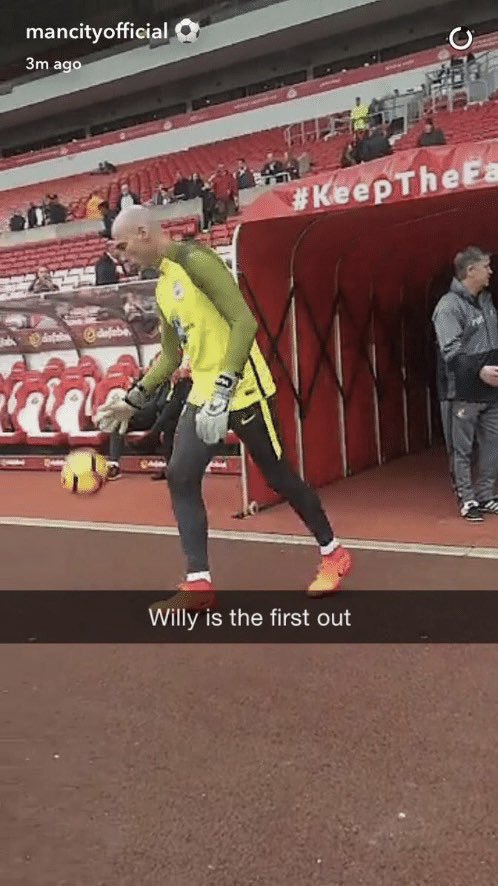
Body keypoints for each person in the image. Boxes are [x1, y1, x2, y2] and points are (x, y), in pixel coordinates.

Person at [97, 206, 352, 610]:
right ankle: (199, 583)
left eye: (123, 246)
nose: (121, 256)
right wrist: (134, 397)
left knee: (278, 478)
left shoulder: (196, 259)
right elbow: (170, 356)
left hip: (244, 390)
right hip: (203, 394)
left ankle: (333, 552)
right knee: (180, 475)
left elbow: (244, 323)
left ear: (144, 232)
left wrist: (224, 387)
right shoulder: (162, 286)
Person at [432, 247, 498, 522]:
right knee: (462, 448)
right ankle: (467, 498)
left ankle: (486, 494)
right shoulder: (448, 306)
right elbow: (451, 351)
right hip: (461, 390)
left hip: (491, 390)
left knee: (492, 444)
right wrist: (479, 370)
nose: (491, 271)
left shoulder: (486, 300)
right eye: (486, 266)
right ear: (471, 271)